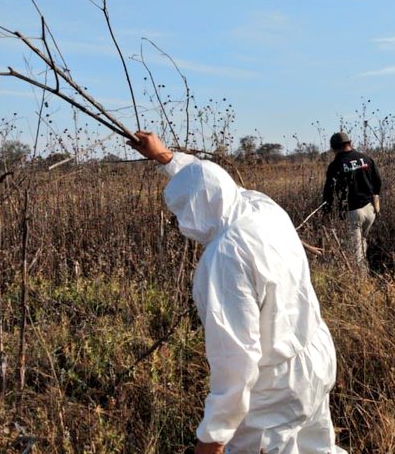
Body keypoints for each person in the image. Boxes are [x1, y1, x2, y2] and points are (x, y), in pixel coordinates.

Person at [129, 131, 345, 454]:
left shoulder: (225, 258)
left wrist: (212, 438)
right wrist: (166, 158)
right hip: (315, 358)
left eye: (181, 216)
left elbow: (236, 363)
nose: (180, 224)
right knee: (319, 447)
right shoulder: (261, 206)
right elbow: (211, 186)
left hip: (276, 390)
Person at [321, 132, 381, 273]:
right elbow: (377, 182)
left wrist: (326, 212)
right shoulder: (366, 159)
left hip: (353, 213)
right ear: (349, 143)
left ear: (334, 147)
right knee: (362, 243)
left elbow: (329, 192)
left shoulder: (336, 165)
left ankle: (363, 285)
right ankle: (364, 275)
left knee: (356, 255)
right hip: (370, 210)